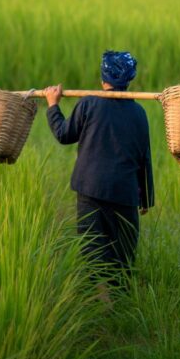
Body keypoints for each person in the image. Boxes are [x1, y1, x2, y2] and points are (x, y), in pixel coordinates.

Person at [44, 50, 154, 295]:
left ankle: (97, 300)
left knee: (92, 250)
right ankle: (118, 303)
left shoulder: (89, 103)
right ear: (128, 80)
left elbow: (64, 134)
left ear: (104, 79)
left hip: (90, 189)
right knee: (123, 257)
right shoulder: (139, 114)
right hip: (125, 194)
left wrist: (53, 105)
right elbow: (144, 156)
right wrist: (145, 198)